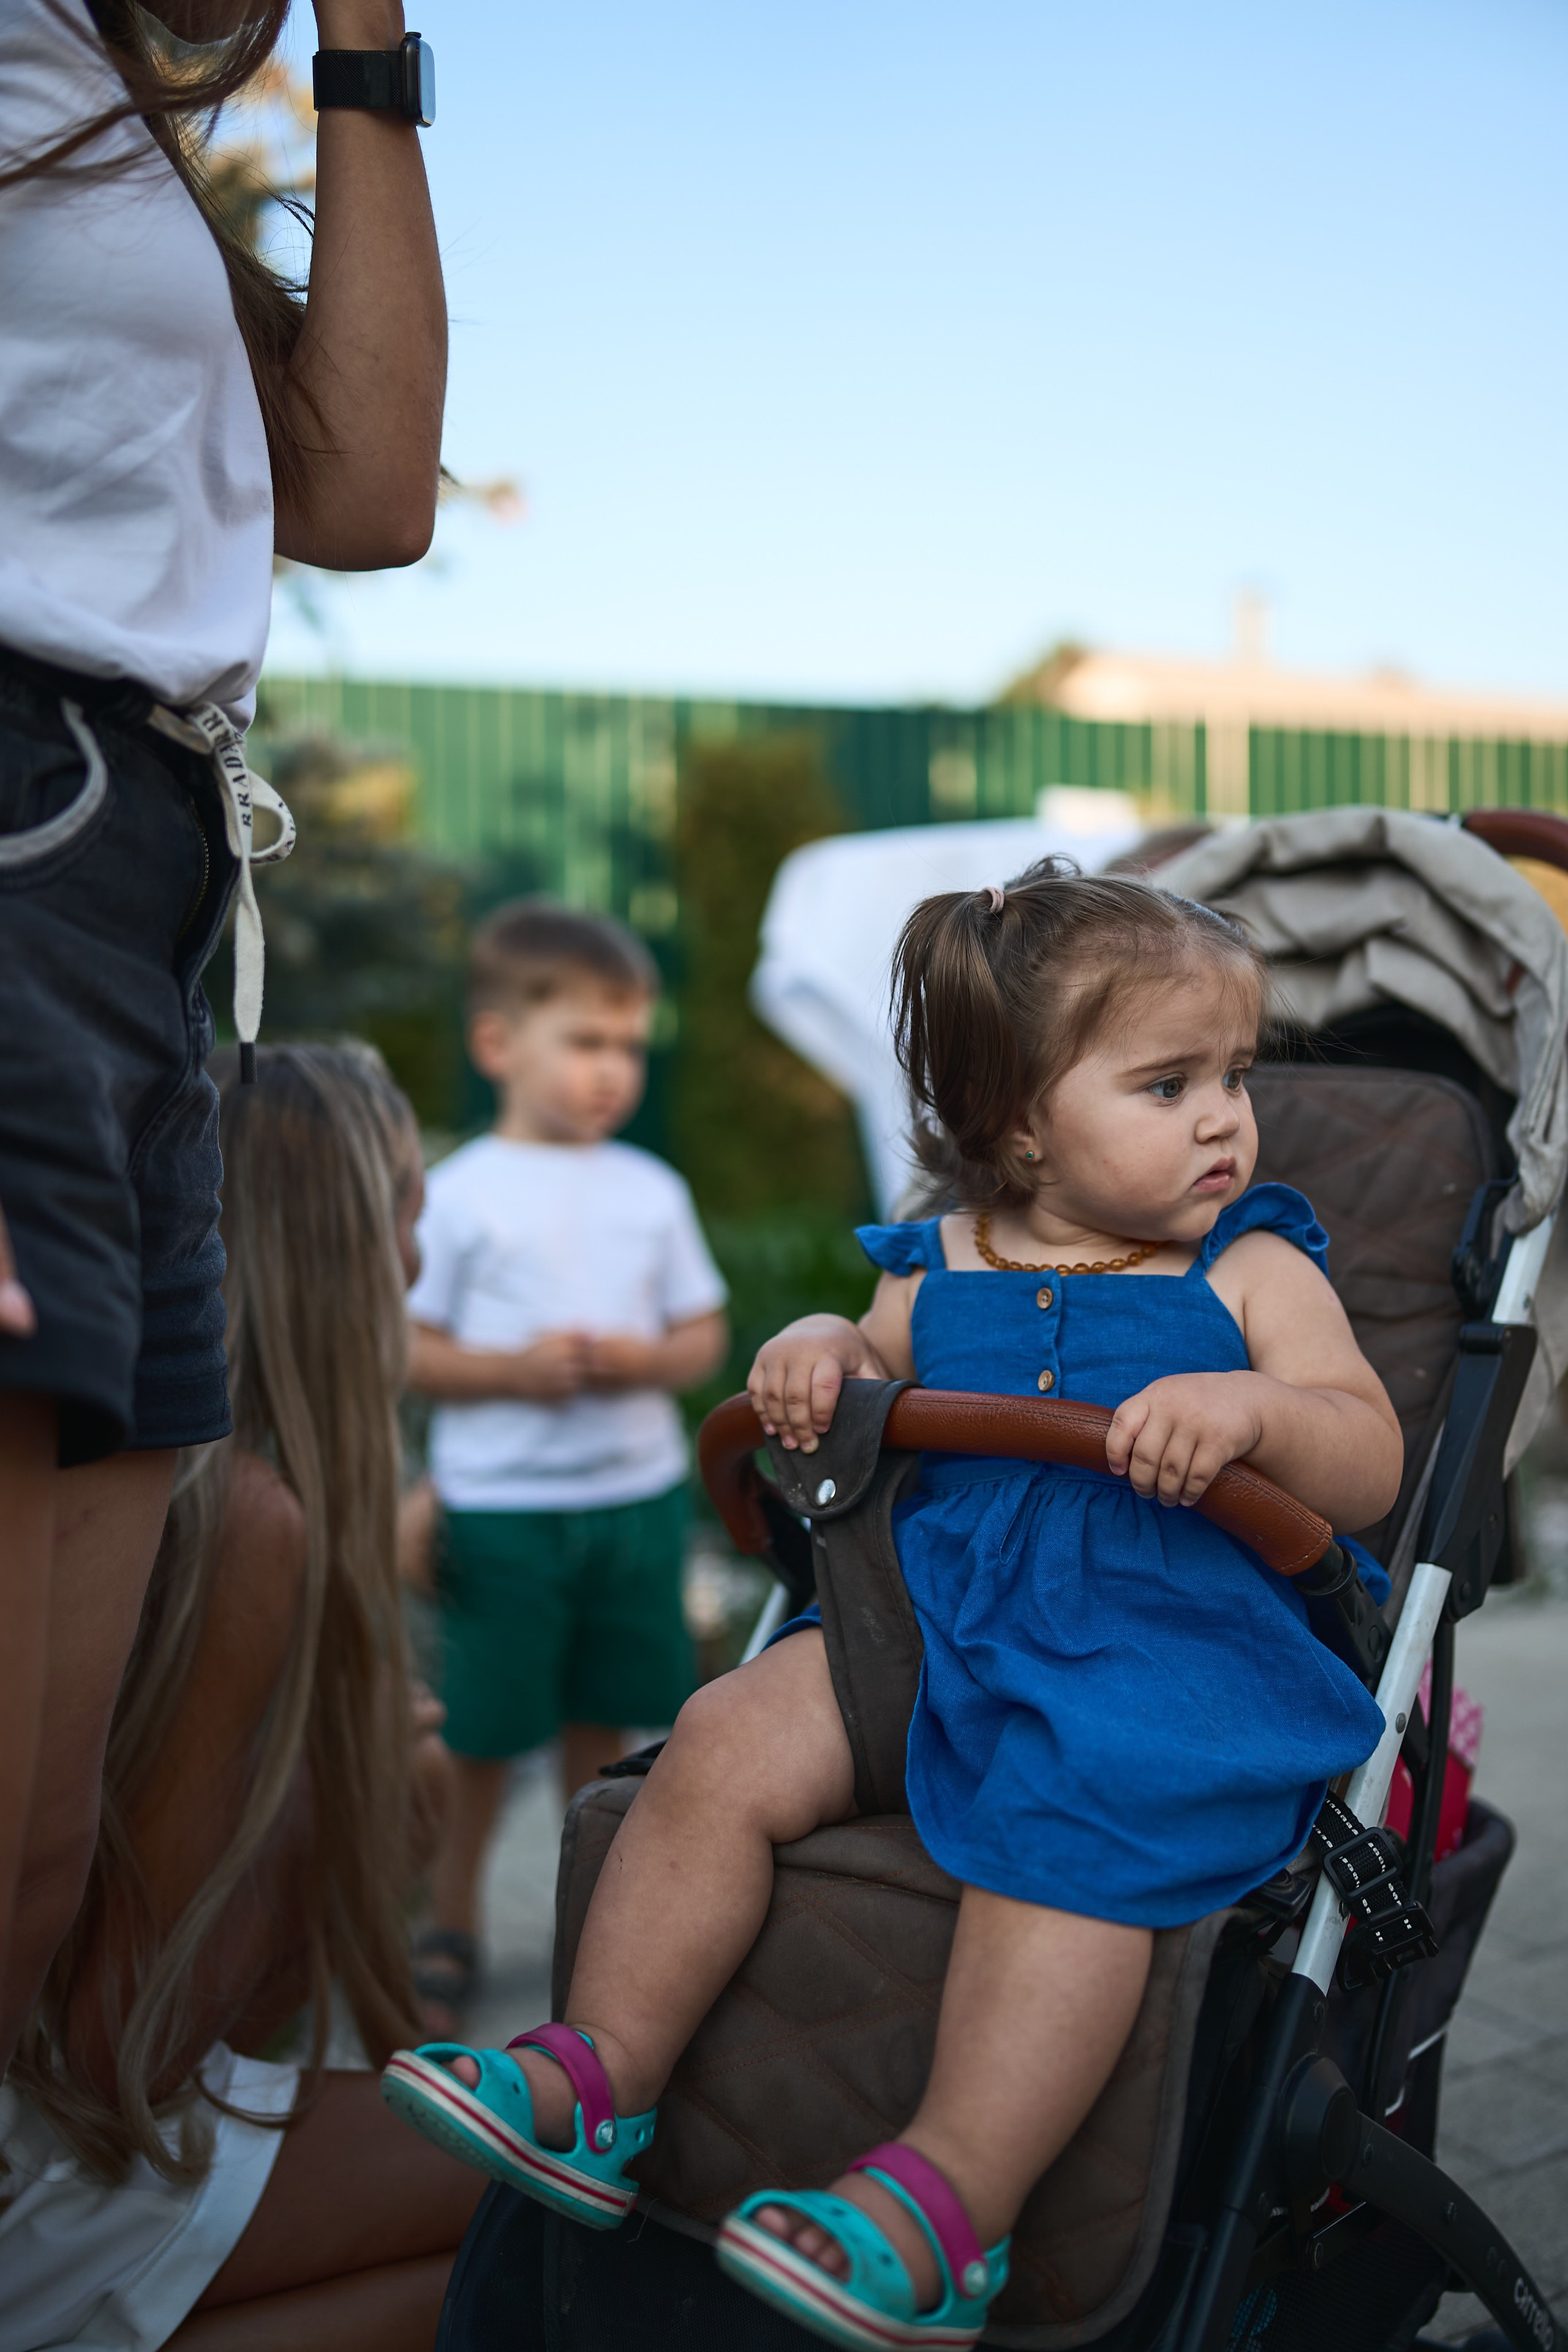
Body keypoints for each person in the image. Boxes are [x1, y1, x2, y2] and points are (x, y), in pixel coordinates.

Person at [381, 863, 1403, 2352]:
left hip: (1154, 1651)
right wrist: (810, 1348)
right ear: (1013, 1125)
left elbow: (1365, 1458)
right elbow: (853, 1360)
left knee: (1072, 1817)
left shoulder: (1248, 1269)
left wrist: (1255, 1410)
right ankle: (595, 2080)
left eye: (1233, 1078)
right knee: (723, 1733)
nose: (1222, 1119)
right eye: (1168, 1081)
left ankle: (943, 2208)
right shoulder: (938, 1264)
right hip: (920, 1628)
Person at [0, 0, 446, 2083]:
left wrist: (366, 51)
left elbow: (361, 492)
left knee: (35, 1862)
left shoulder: (99, 107)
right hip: (25, 842)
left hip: (145, 899)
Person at [0, 1044, 483, 2352]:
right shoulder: (241, 1525)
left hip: (58, 2121)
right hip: (47, 2146)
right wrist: (354, 1805)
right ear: (334, 1245)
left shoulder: (150, 1479)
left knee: (481, 2276)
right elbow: (123, 2054)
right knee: (551, 2215)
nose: (417, 1270)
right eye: (405, 1219)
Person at [404, 900, 729, 2031]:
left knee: (609, 1730)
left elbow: (703, 1335)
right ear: (499, 1045)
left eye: (630, 1047)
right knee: (487, 1735)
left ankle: (587, 1914)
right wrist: (510, 1374)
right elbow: (407, 1346)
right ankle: (451, 1921)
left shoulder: (651, 1189)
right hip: (504, 1518)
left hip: (632, 1504)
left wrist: (648, 1357)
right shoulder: (458, 1193)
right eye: (586, 1043)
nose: (612, 1071)